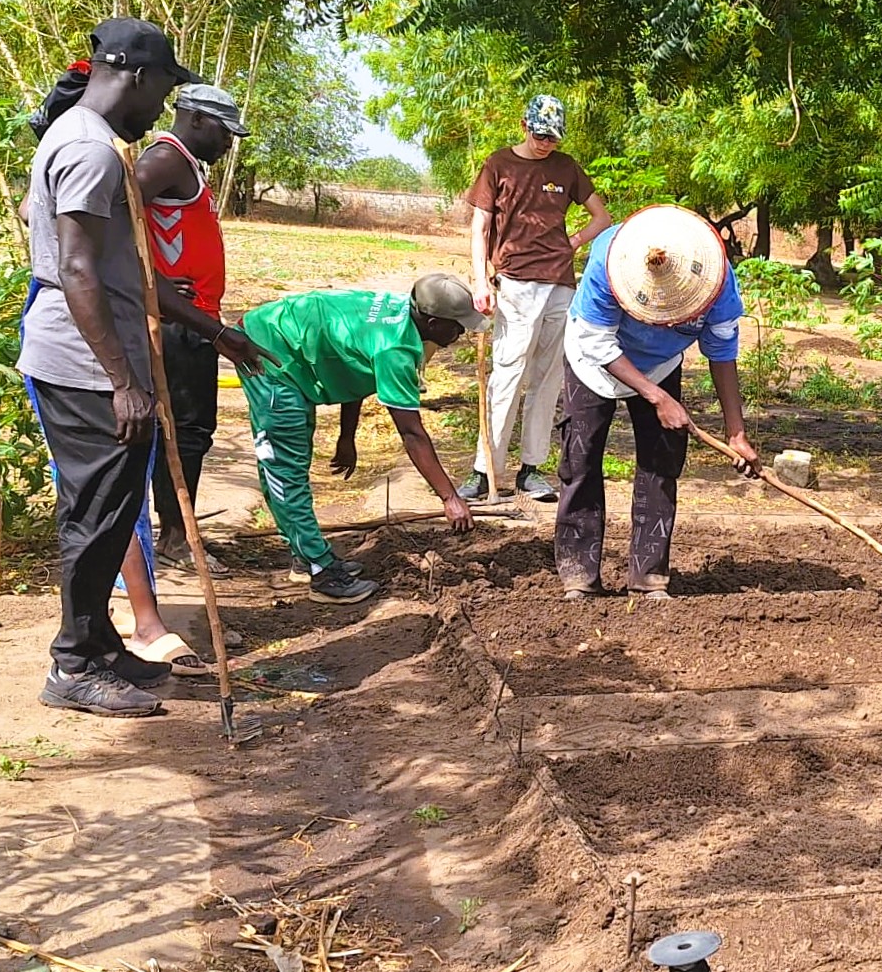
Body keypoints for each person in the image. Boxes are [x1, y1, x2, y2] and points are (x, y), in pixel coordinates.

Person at [18, 19, 267, 717]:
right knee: (95, 515)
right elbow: (77, 269)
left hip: (101, 360)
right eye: (163, 87)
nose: (163, 105)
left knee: (113, 508)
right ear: (135, 75)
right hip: (84, 366)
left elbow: (122, 270)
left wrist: (211, 331)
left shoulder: (91, 143)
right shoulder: (89, 150)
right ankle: (73, 664)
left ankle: (101, 647)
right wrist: (124, 381)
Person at [236, 274, 483, 604]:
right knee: (285, 467)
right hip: (270, 354)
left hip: (289, 345)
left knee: (289, 463)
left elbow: (353, 365)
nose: (461, 333)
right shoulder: (395, 348)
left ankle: (305, 553)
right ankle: (321, 573)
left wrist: (347, 437)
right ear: (433, 323)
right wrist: (450, 498)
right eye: (457, 326)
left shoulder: (401, 310)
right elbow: (412, 434)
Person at [555, 204, 760, 600]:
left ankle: (648, 577)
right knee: (580, 461)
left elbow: (722, 353)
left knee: (660, 464)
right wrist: (657, 397)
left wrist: (736, 433)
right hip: (594, 361)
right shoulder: (608, 260)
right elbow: (597, 342)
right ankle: (579, 575)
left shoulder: (716, 280)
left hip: (660, 363)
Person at [457, 94, 612, 503]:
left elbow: (602, 217)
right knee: (507, 374)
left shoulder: (566, 167)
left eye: (553, 138)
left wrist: (572, 243)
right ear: (524, 125)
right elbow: (480, 227)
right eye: (541, 135)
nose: (546, 144)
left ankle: (532, 469)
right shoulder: (498, 164)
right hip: (515, 282)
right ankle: (485, 469)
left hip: (560, 284)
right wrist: (480, 281)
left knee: (547, 378)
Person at [136, 83, 248, 578]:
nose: (227, 143)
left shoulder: (185, 164)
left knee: (190, 432)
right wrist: (153, 282)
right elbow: (110, 209)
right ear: (197, 120)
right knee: (185, 433)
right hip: (179, 324)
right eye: (224, 132)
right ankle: (175, 539)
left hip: (192, 318)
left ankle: (177, 532)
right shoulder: (165, 159)